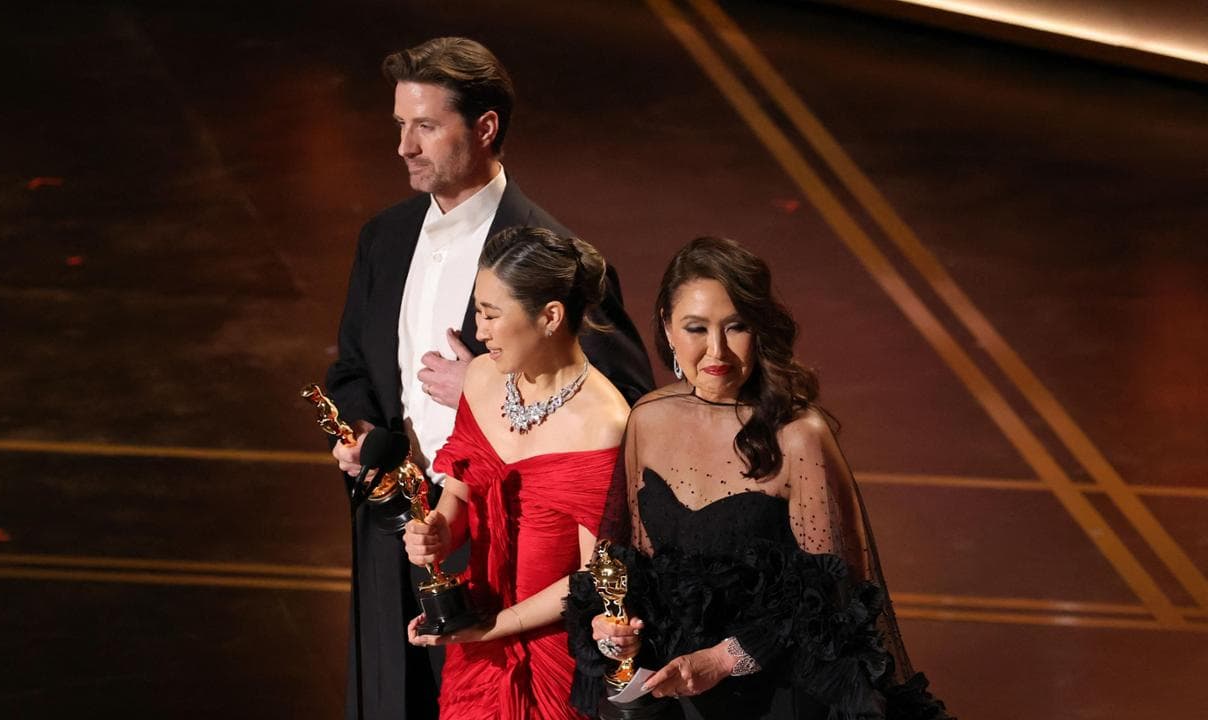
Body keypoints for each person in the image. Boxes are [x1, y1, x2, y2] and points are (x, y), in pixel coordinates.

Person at [325, 37, 654, 720]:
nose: (404, 147)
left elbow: (627, 406)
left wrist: (489, 386)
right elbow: (352, 369)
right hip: (402, 525)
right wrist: (361, 436)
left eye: (425, 126)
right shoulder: (384, 238)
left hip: (506, 550)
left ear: (484, 128)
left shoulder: (555, 259)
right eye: (400, 125)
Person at [566, 237, 951, 720]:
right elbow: (630, 561)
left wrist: (723, 660)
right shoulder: (647, 418)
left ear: (760, 329)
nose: (716, 350)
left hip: (780, 694)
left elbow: (831, 593)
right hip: (678, 690)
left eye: (736, 326)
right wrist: (613, 626)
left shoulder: (798, 436)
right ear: (666, 326)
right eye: (696, 328)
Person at [401, 227, 630, 719]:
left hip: (552, 658)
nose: (479, 331)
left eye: (491, 314)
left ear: (550, 316)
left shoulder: (604, 424)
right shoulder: (481, 378)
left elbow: (594, 576)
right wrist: (437, 531)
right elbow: (458, 496)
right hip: (476, 644)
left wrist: (494, 626)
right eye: (478, 312)